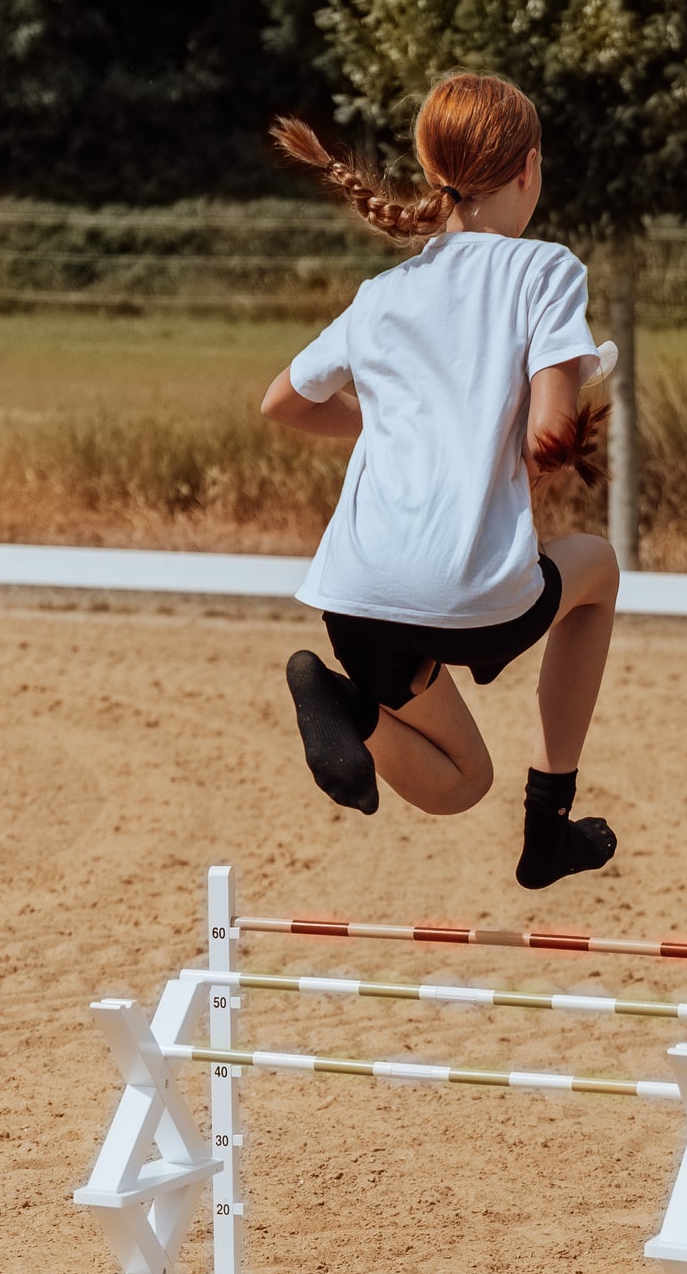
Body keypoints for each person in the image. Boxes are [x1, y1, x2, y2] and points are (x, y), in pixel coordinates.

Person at [260, 71, 620, 891]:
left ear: (434, 173)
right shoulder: (545, 271)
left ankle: (346, 706)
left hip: (353, 599)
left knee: (461, 784)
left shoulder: (383, 292)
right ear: (527, 168)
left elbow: (281, 400)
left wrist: (389, 417)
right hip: (467, 593)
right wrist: (581, 383)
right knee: (595, 567)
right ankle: (549, 827)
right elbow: (548, 439)